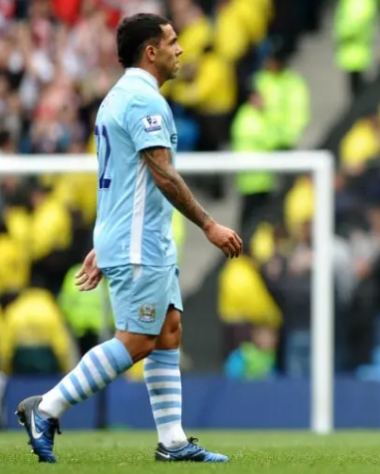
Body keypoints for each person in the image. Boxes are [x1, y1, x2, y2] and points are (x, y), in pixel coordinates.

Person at [15, 13, 242, 464]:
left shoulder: (119, 97)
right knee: (137, 340)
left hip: (136, 237)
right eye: (172, 42)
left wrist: (107, 241)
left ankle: (173, 442)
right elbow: (163, 175)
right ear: (150, 51)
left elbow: (122, 177)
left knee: (168, 330)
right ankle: (46, 408)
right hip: (140, 241)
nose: (181, 49)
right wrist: (209, 225)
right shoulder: (143, 101)